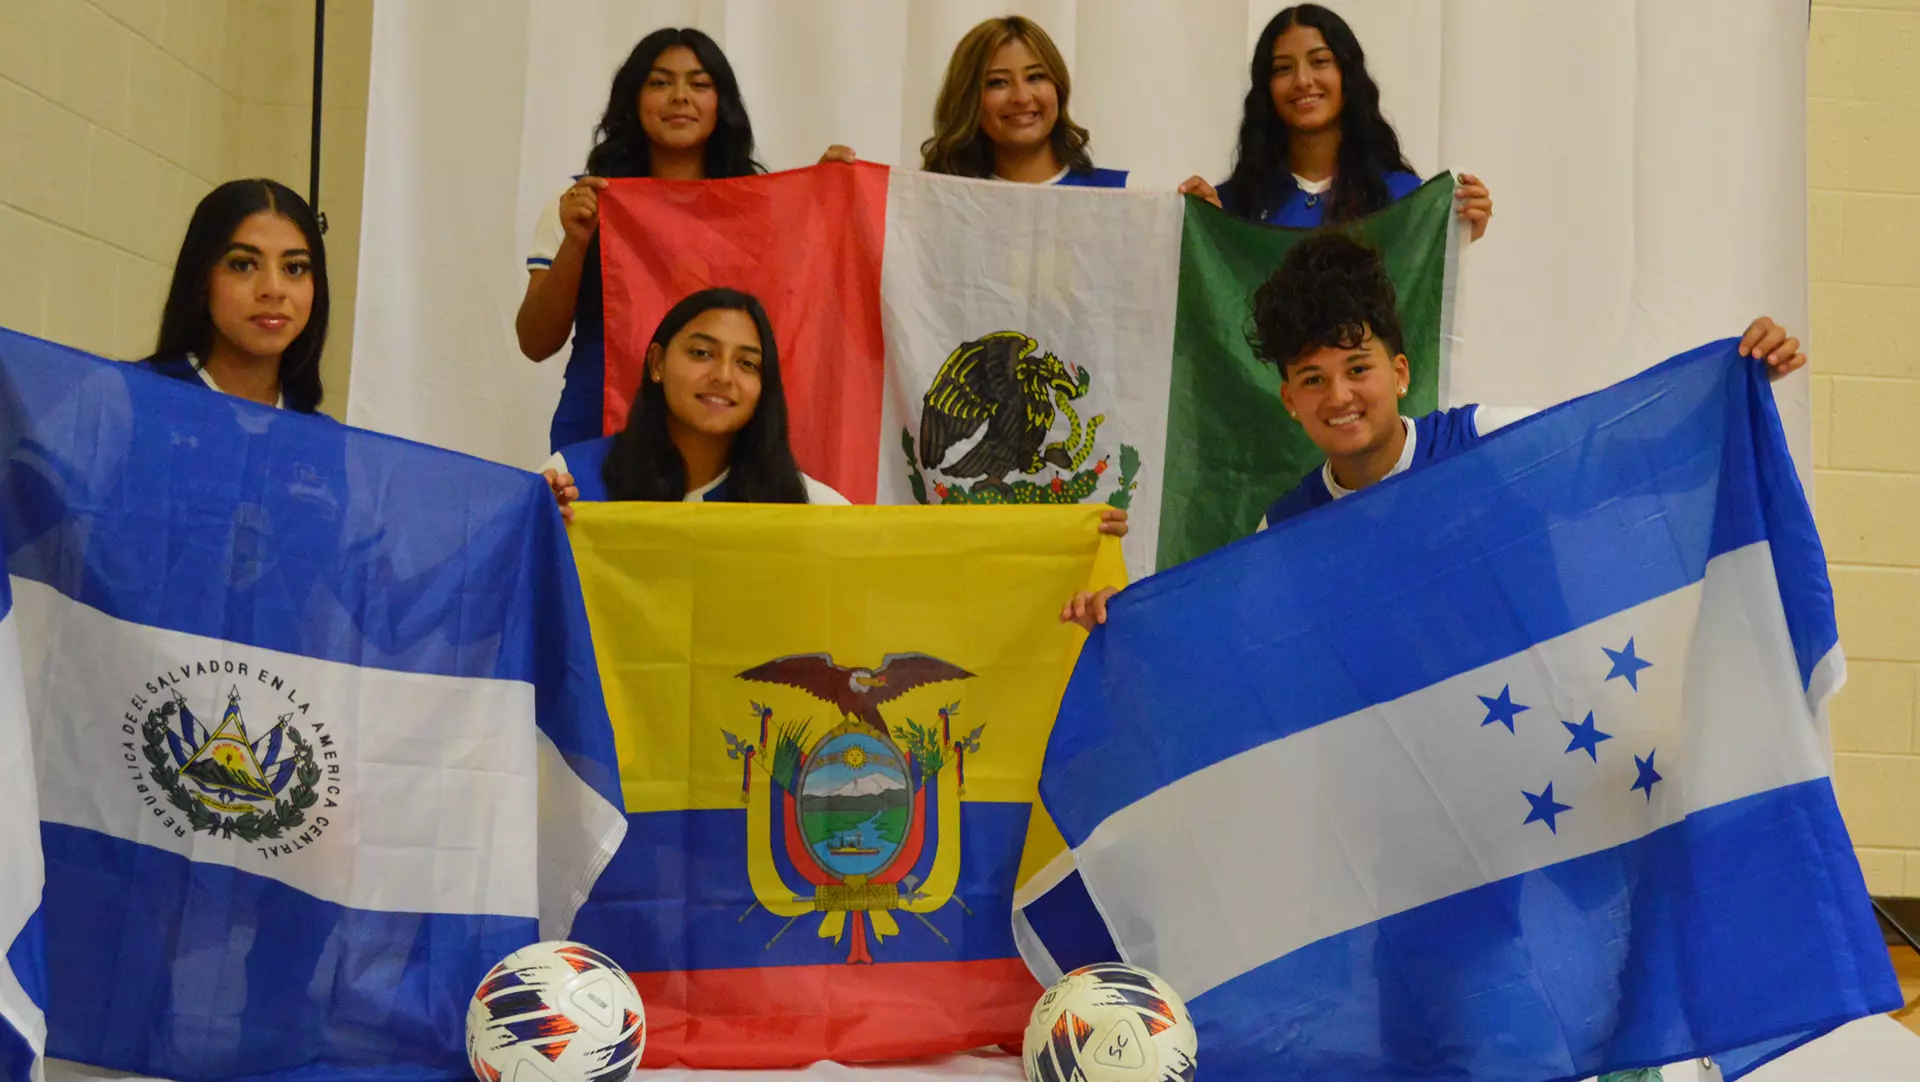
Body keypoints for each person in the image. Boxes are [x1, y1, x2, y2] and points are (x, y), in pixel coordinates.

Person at [1062, 232, 1806, 629]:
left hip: (1534, 769)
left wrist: (1735, 384)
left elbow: (1620, 449)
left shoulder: (1484, 442)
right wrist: (1122, 623)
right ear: (1289, 400)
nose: (1341, 396)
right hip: (1397, 811)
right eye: (1314, 380)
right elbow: (1219, 631)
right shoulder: (1285, 528)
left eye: (1359, 368)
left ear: (1403, 371)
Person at [518, 28, 764, 453]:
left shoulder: (759, 214)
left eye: (699, 83)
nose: (680, 96)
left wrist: (826, 196)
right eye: (659, 82)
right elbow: (535, 343)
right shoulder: (585, 204)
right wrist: (577, 243)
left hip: (721, 443)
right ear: (633, 101)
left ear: (721, 105)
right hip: (599, 433)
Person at [1178, 4, 1492, 237]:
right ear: (1265, 88)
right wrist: (1206, 233)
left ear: (1347, 76)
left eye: (1320, 62)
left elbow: (1423, 302)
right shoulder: (1232, 205)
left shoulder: (1405, 200)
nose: (1302, 80)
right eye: (1283, 68)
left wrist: (1461, 229)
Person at [541, 288, 847, 517]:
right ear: (657, 363)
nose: (724, 376)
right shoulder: (571, 479)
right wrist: (539, 525)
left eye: (747, 364)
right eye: (701, 353)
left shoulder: (812, 509)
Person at [820, 16, 1125, 188]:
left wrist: (1174, 224)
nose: (1021, 97)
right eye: (997, 82)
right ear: (968, 100)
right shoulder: (928, 202)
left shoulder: (1116, 199)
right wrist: (823, 198)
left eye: (1035, 77)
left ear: (1058, 86)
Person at [139, 179, 328, 412]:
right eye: (243, 265)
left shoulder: (321, 439)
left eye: (294, 268)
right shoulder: (128, 397)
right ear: (201, 276)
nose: (273, 289)